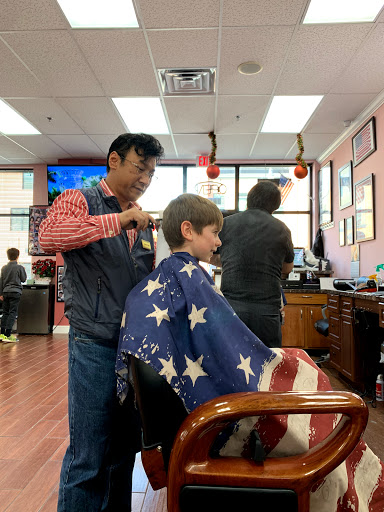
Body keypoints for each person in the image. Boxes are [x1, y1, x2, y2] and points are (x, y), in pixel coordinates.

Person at [116, 193, 384, 512]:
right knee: (312, 387)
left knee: (302, 367)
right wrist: (279, 363)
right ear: (188, 231)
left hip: (189, 416)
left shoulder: (154, 285)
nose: (218, 242)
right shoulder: (189, 278)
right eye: (214, 233)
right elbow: (226, 350)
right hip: (211, 422)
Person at [38, 133, 164, 512]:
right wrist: (117, 220)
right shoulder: (80, 199)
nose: (145, 178)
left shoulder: (142, 221)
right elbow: (48, 236)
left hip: (133, 348)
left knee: (124, 451)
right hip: (93, 343)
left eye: (151, 173)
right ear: (113, 160)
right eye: (139, 167)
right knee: (89, 453)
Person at [211, 180, 294, 348]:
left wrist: (231, 261)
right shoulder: (282, 229)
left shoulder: (226, 224)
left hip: (231, 309)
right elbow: (287, 268)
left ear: (249, 199)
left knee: (232, 363)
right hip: (266, 314)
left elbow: (211, 257)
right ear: (276, 205)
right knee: (268, 366)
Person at [0, 247, 27, 343]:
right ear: (17, 256)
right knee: (12, 312)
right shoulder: (19, 268)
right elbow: (23, 279)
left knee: (5, 313)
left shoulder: (4, 268)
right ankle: (8, 334)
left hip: (6, 292)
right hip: (15, 292)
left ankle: (2, 333)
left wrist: (1, 293)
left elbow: (1, 281)